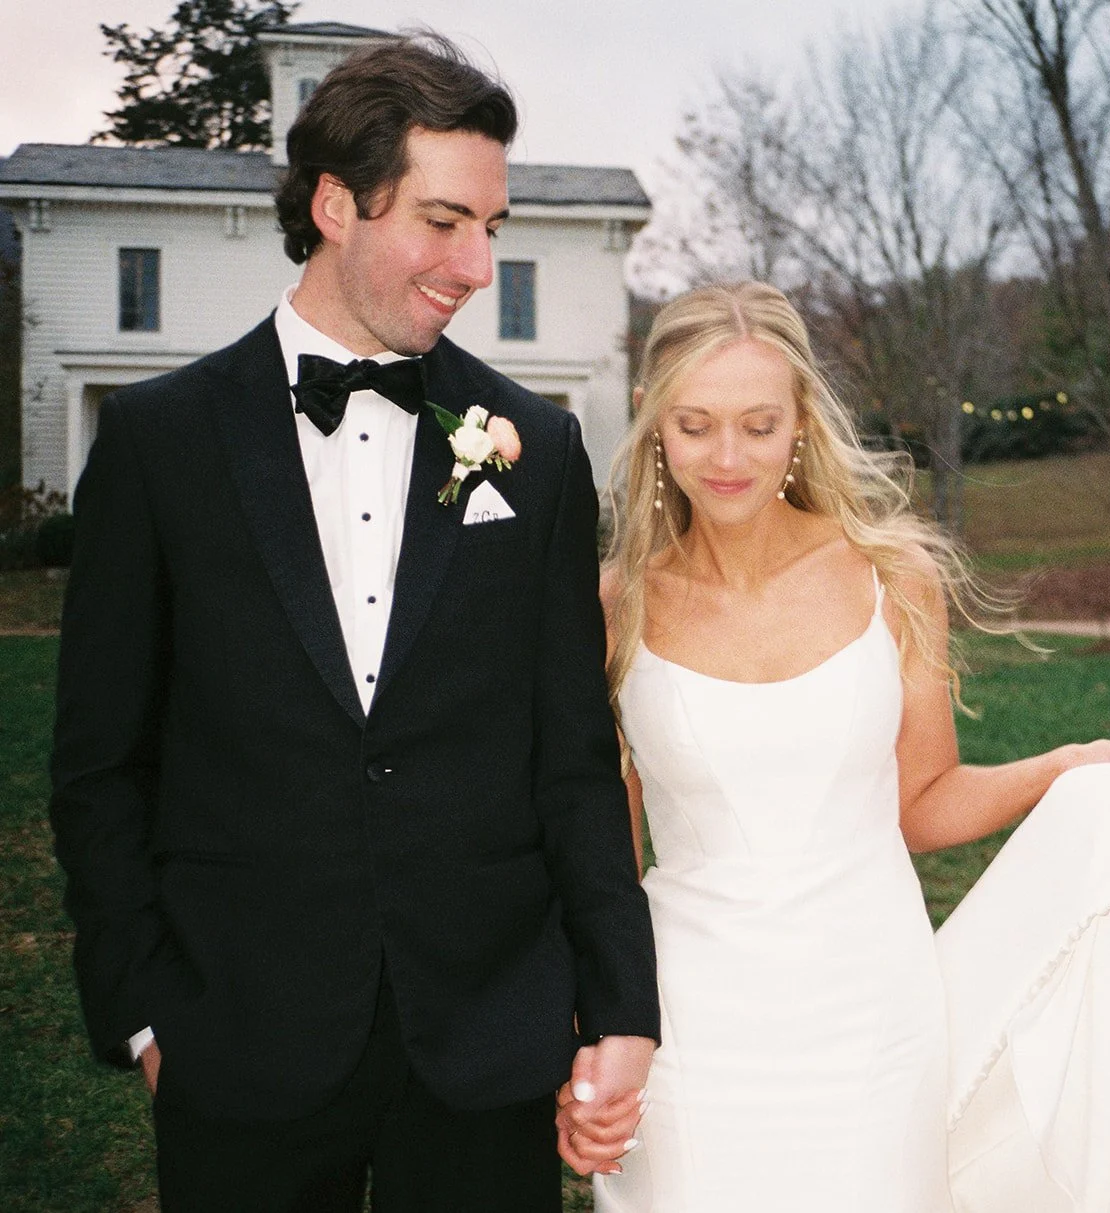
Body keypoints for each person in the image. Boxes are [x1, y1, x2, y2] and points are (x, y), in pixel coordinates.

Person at [564, 281, 1110, 1211]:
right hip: (689, 1022)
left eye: (758, 423)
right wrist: (595, 1026)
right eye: (696, 424)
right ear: (652, 420)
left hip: (872, 1017)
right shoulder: (612, 606)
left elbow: (922, 801)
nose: (729, 455)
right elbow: (604, 863)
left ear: (801, 423)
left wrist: (1057, 769)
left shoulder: (892, 575)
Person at [48, 36, 656, 1212]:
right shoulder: (159, 447)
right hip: (238, 1045)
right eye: (443, 221)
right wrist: (142, 1012)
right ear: (335, 204)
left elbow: (574, 761)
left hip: (485, 1050)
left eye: (492, 224)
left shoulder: (539, 444)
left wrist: (620, 1009)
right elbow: (99, 766)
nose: (478, 264)